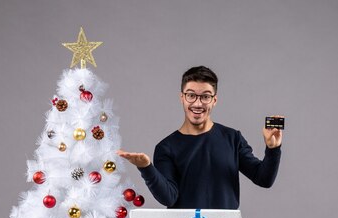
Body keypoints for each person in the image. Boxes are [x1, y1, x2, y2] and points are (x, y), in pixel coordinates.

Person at [117, 66, 283, 209]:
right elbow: (168, 197)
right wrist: (146, 168)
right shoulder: (166, 147)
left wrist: (273, 149)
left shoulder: (232, 138)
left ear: (214, 100)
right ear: (182, 98)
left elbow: (263, 179)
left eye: (205, 96)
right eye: (191, 95)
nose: (197, 103)